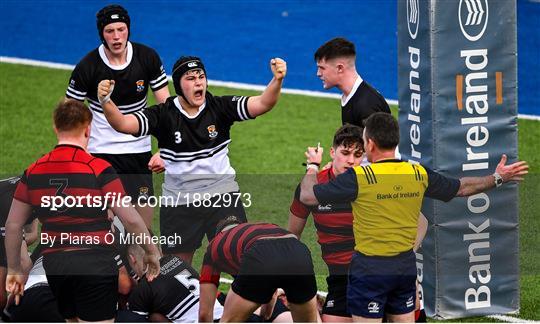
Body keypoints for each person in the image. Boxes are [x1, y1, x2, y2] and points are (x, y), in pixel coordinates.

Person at [299, 113, 528, 323]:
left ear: (370, 143)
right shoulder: (417, 172)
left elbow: (308, 196)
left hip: (369, 268)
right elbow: (462, 187)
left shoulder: (359, 177)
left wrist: (312, 166)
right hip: (405, 267)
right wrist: (498, 177)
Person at [97, 55, 287, 264]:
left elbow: (262, 103)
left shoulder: (219, 107)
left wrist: (276, 80)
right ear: (178, 84)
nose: (198, 82)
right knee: (176, 270)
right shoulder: (163, 115)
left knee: (235, 253)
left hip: (222, 196)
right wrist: (106, 101)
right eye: (190, 78)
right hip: (179, 203)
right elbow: (123, 124)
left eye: (201, 77)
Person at [4, 99, 161, 322]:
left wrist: (14, 270)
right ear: (88, 128)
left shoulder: (34, 171)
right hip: (95, 263)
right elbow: (131, 219)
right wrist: (152, 252)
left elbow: (13, 225)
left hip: (56, 265)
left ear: (55, 127)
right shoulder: (99, 168)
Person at [289, 124, 428, 322]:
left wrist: (404, 255)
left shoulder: (373, 183)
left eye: (357, 155)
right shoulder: (313, 188)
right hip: (341, 279)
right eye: (345, 153)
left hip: (379, 270)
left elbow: (421, 221)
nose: (350, 161)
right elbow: (293, 236)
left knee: (410, 300)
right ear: (332, 152)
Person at [66, 4, 170, 228]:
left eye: (121, 29)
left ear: (128, 30)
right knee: (103, 228)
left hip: (139, 154)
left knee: (143, 232)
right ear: (101, 34)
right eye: (110, 31)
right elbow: (68, 117)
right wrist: (80, 154)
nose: (116, 37)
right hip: (99, 153)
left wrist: (164, 149)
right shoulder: (88, 67)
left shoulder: (147, 57)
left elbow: (168, 109)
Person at [198, 217, 319, 323]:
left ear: (219, 233)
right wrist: (265, 315)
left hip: (261, 254)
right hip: (298, 250)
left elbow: (204, 313)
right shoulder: (265, 227)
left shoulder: (214, 246)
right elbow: (273, 272)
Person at [314, 37, 390, 126]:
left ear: (339, 68)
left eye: (322, 68)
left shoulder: (366, 106)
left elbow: (373, 140)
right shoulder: (351, 96)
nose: (318, 73)